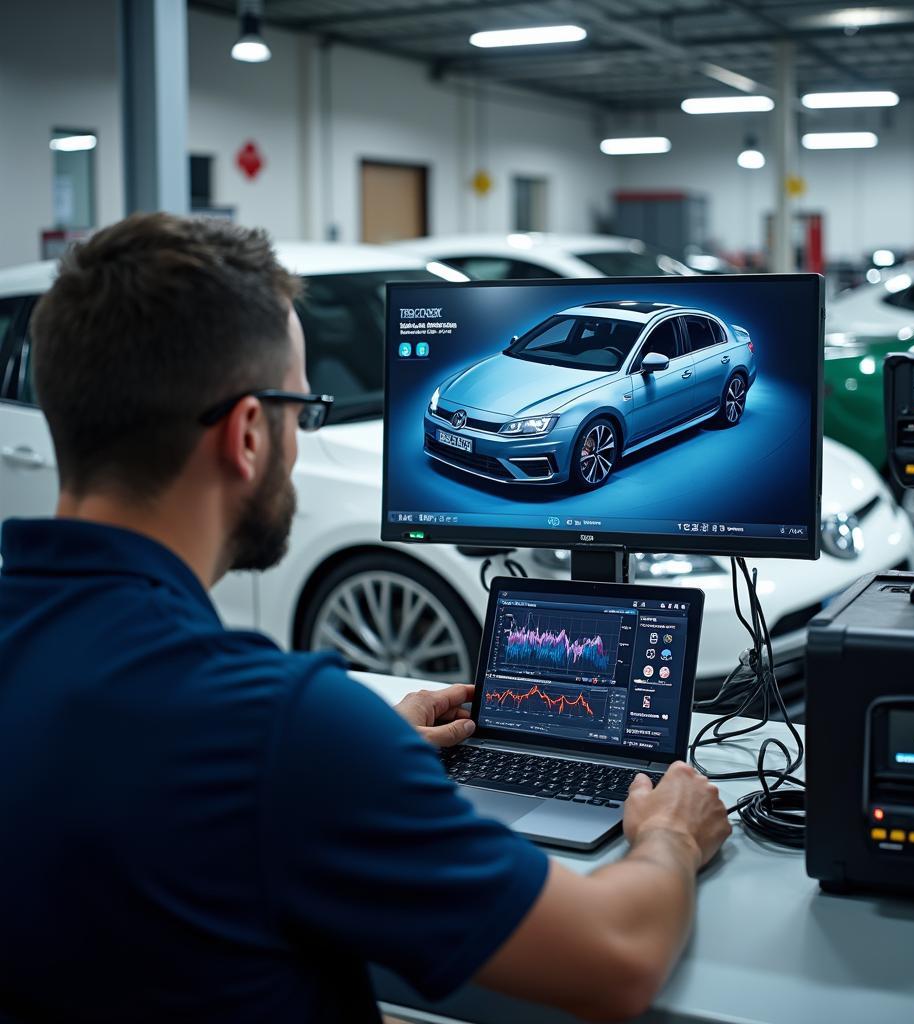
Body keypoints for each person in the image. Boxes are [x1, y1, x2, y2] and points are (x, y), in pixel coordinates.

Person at [0, 213, 731, 1023]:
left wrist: (361, 758)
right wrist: (671, 832)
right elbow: (615, 960)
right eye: (302, 410)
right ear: (248, 434)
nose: (301, 438)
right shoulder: (279, 729)